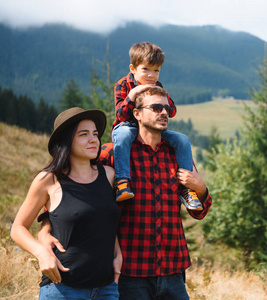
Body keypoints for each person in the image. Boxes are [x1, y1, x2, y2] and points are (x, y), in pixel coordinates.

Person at [39, 86, 212, 300]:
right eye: (156, 107)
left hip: (173, 269)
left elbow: (198, 213)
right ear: (137, 114)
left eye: (166, 108)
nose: (164, 113)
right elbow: (70, 195)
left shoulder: (179, 154)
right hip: (129, 272)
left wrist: (201, 188)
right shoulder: (113, 153)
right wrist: (45, 231)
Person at [10, 107, 122, 299]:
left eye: (95, 134)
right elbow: (18, 228)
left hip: (106, 289)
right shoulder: (49, 180)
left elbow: (104, 220)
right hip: (62, 288)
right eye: (83, 134)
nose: (93, 139)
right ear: (67, 139)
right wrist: (41, 252)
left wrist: (117, 253)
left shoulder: (109, 175)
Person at [112, 41, 202, 211]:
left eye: (156, 70)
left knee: (182, 139)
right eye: (145, 69)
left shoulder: (157, 86)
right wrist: (132, 96)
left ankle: (187, 189)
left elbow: (172, 112)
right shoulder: (123, 85)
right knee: (122, 137)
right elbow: (120, 116)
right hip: (128, 126)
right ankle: (122, 182)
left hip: (153, 128)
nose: (151, 75)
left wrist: (162, 96)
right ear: (133, 68)